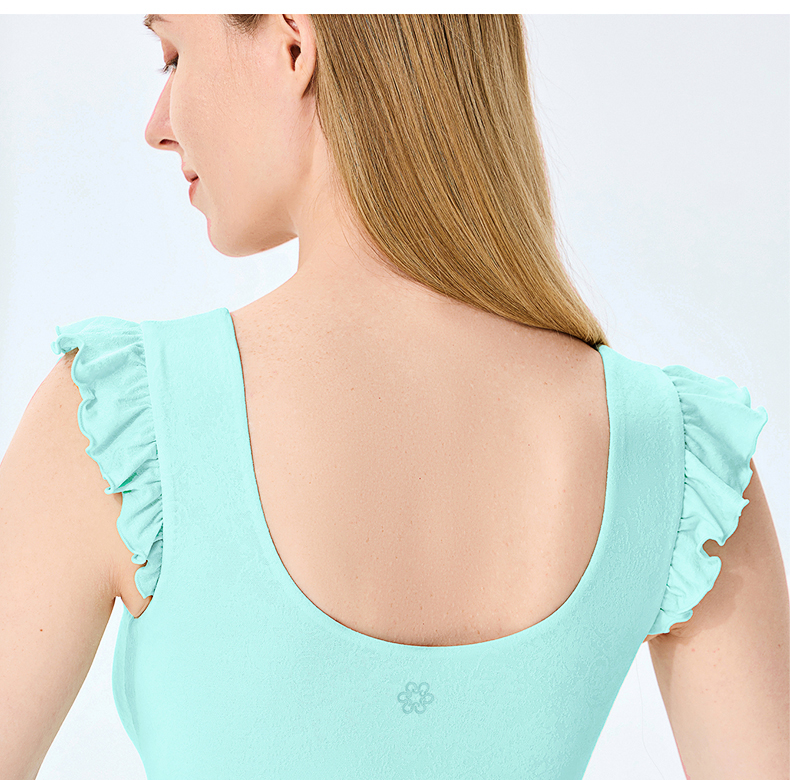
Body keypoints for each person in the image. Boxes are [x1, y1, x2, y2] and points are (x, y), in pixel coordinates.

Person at [1, 14, 787, 780]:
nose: (157, 126)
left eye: (174, 56)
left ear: (293, 46)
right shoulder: (681, 458)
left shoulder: (116, 421)